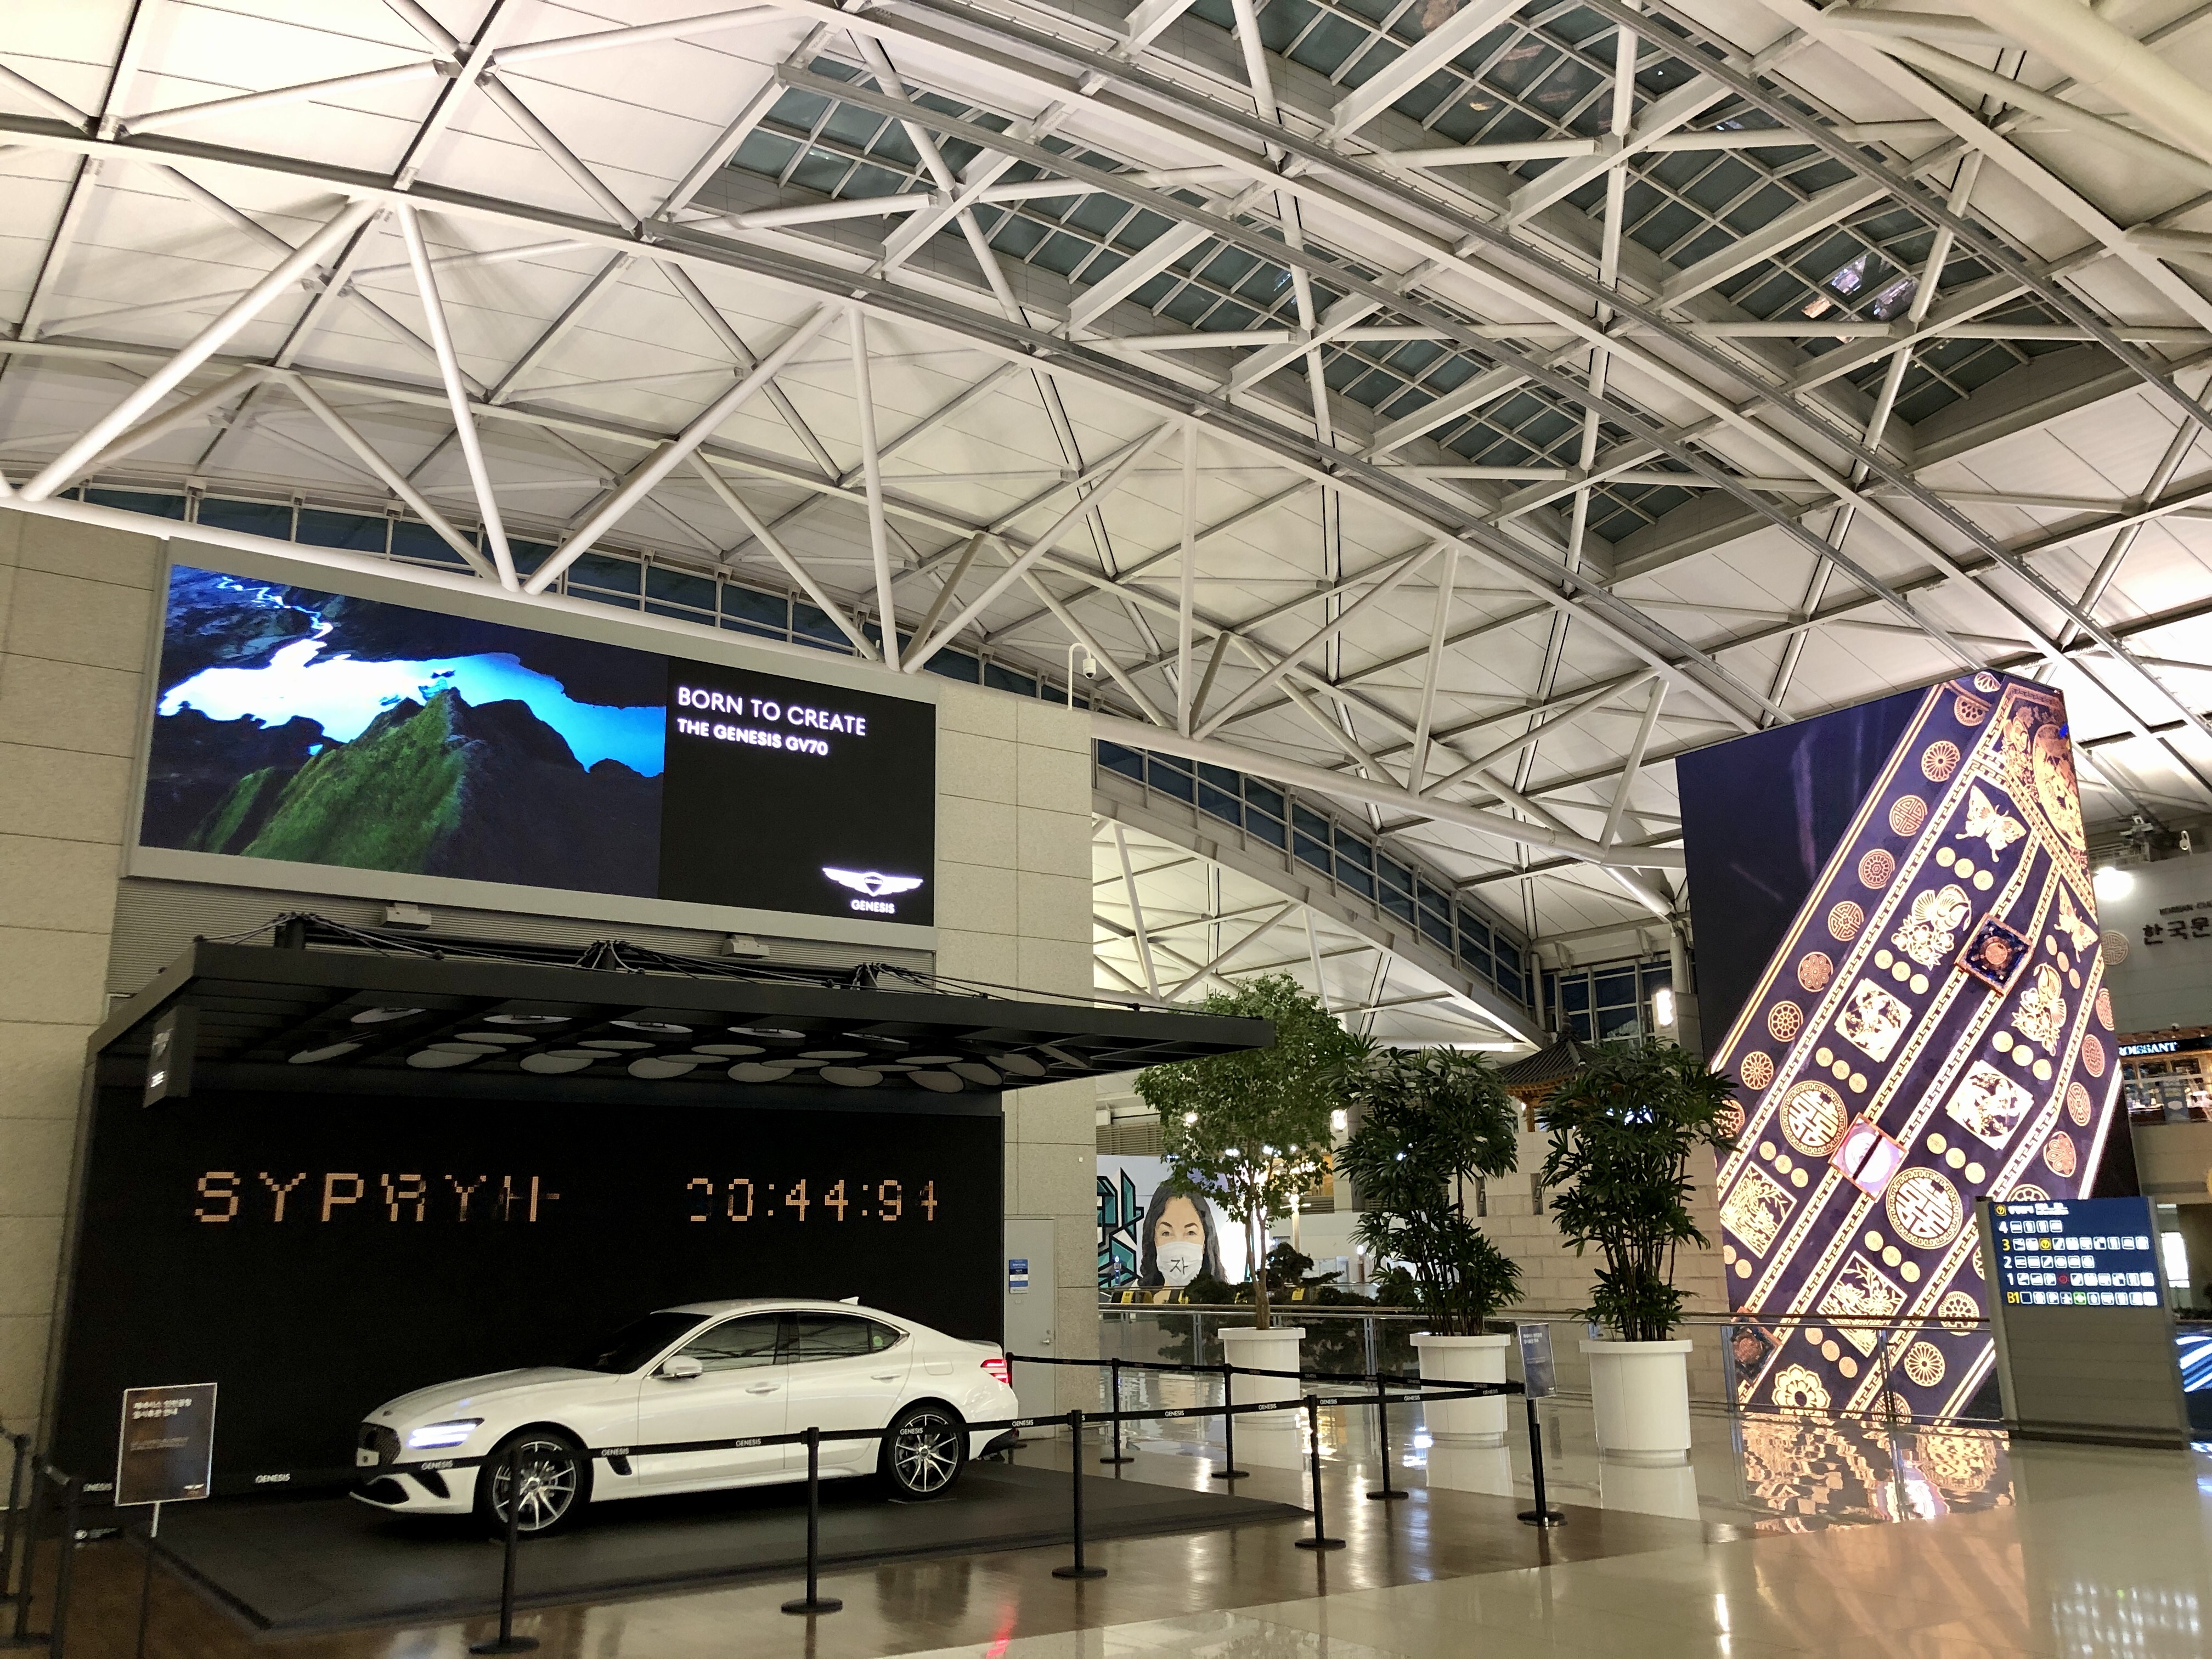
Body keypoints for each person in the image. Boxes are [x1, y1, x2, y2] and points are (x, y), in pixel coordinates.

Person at [1138, 1186, 1224, 1293]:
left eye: (1191, 1233)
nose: (1179, 1243)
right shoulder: (1136, 1298)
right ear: (1154, 1239)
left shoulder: (1226, 1300)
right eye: (1166, 1233)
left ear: (1206, 1241)